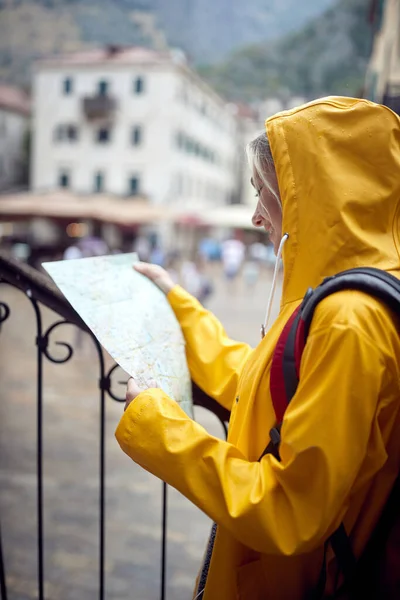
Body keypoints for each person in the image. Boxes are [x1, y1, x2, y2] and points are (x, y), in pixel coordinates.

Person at [115, 97, 400, 599]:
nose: (254, 216)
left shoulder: (347, 319)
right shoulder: (338, 296)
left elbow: (291, 512)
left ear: (305, 196)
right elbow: (268, 386)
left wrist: (158, 429)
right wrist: (180, 308)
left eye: (262, 192)